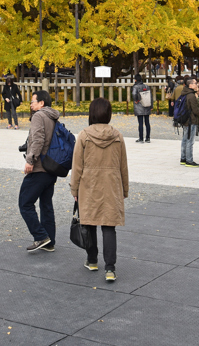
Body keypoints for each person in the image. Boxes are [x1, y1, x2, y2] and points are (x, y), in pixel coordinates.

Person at [71, 97, 128, 283]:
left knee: (89, 223)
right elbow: (123, 166)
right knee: (109, 226)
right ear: (108, 114)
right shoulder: (117, 136)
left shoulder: (84, 135)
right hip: (111, 186)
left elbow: (77, 166)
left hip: (89, 185)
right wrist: (124, 189)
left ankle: (92, 260)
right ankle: (110, 269)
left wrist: (74, 189)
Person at [19, 89, 60, 252]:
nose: (31, 104)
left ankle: (41, 236)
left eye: (33, 101)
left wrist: (30, 160)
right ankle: (49, 241)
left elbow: (38, 139)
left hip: (39, 167)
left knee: (25, 203)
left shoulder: (39, 116)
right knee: (46, 204)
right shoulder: (53, 116)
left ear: (41, 103)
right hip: (52, 167)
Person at [179, 78, 199, 167]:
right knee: (190, 141)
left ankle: (183, 158)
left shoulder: (184, 93)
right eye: (195, 83)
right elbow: (194, 110)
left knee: (184, 140)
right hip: (191, 121)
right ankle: (189, 160)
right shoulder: (191, 95)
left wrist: (198, 110)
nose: (196, 84)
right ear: (190, 85)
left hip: (185, 120)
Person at [132, 74, 152, 143]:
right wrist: (151, 106)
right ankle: (148, 138)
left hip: (139, 106)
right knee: (147, 122)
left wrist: (136, 100)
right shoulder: (146, 86)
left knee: (140, 123)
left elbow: (134, 94)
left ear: (135, 80)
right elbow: (150, 96)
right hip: (147, 105)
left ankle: (141, 138)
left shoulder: (135, 87)